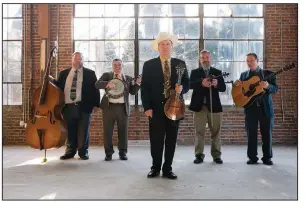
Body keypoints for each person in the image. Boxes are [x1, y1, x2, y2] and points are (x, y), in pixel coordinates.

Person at [141, 32, 190, 179]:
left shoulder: (180, 64)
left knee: (171, 140)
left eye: (168, 44)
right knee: (156, 140)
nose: (165, 47)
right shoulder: (148, 65)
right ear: (158, 47)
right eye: (162, 44)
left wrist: (183, 89)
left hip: (174, 108)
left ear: (171, 46)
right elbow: (145, 88)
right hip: (155, 109)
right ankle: (155, 167)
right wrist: (147, 107)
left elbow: (187, 83)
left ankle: (167, 168)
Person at [50, 52, 100, 160]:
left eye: (80, 59)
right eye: (75, 59)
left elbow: (96, 90)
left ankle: (83, 152)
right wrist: (51, 80)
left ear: (83, 60)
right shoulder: (63, 73)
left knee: (83, 131)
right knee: (70, 130)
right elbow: (58, 87)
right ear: (72, 60)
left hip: (84, 106)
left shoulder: (90, 73)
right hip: (68, 106)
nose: (77, 61)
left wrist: (96, 104)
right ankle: (70, 151)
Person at [234, 53, 278, 165]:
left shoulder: (269, 74)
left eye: (252, 60)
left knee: (267, 134)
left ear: (257, 60)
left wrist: (268, 86)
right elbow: (240, 91)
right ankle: (252, 158)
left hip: (265, 109)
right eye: (247, 61)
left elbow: (275, 89)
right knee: (251, 134)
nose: (250, 63)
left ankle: (267, 158)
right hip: (250, 109)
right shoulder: (244, 75)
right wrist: (236, 85)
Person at [95, 59, 141, 161]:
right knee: (108, 131)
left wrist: (137, 84)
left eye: (119, 65)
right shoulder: (107, 75)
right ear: (112, 66)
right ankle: (108, 153)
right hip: (108, 107)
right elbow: (97, 84)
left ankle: (123, 153)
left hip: (122, 108)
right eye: (115, 65)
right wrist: (107, 84)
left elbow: (133, 92)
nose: (117, 67)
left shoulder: (127, 78)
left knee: (123, 131)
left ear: (122, 66)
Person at [189, 50, 226, 164]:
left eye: (207, 57)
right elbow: (190, 85)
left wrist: (217, 84)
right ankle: (199, 155)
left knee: (216, 132)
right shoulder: (195, 72)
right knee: (199, 132)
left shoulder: (217, 72)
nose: (205, 60)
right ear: (200, 60)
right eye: (203, 58)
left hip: (214, 107)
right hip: (199, 107)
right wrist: (201, 83)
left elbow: (223, 88)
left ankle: (216, 155)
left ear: (210, 58)